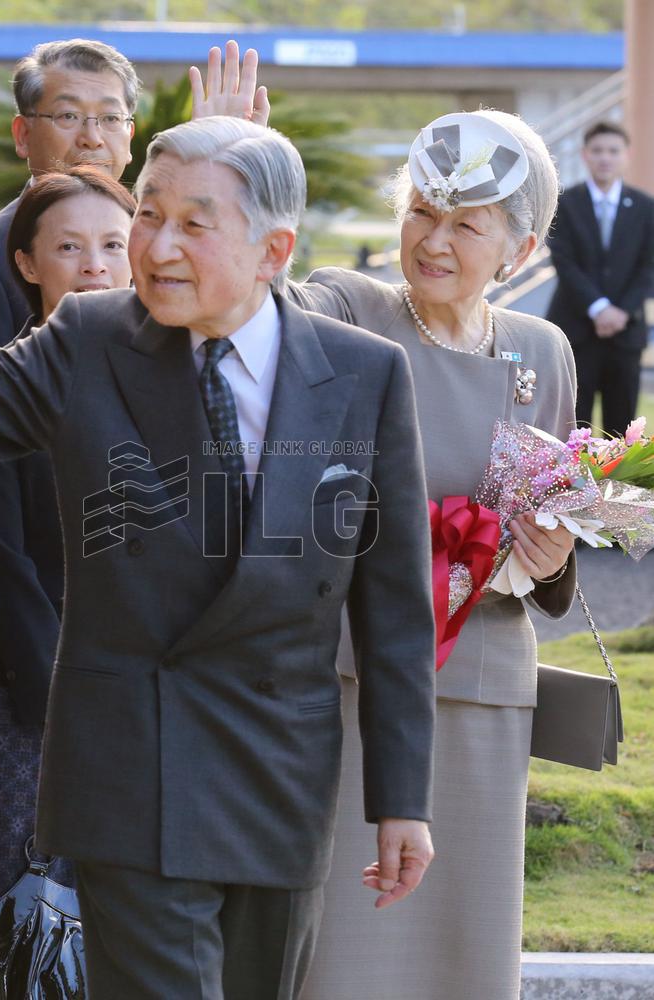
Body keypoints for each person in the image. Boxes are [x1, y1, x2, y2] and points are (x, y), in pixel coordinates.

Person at [0, 114, 435, 999]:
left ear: (274, 250)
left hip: (279, 777)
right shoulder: (89, 339)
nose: (155, 246)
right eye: (148, 213)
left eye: (194, 222)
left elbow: (395, 612)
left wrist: (401, 797)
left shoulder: (363, 373)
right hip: (127, 769)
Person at [286, 111, 578, 999]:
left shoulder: (543, 351)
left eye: (466, 223)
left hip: (486, 689)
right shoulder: (352, 309)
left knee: (467, 947)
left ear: (520, 247)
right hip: (356, 680)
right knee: (342, 937)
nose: (434, 239)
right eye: (421, 211)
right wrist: (235, 178)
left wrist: (555, 549)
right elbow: (259, 309)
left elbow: (552, 549)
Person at [0, 38, 139, 990]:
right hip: (20, 650)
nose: (91, 135)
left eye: (111, 116)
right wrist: (44, 678)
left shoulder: (152, 272)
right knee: (9, 913)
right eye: (68, 115)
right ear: (23, 133)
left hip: (131, 666)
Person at [546, 121, 654, 435]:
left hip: (625, 333)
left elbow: (649, 266)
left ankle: (619, 487)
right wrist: (598, 308)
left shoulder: (646, 207)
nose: (605, 157)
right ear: (585, 155)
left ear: (626, 155)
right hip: (577, 329)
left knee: (623, 429)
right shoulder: (565, 204)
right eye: (597, 150)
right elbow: (563, 262)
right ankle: (572, 485)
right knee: (571, 424)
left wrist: (620, 311)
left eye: (612, 150)